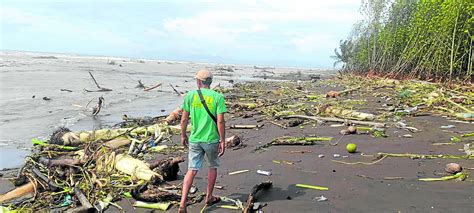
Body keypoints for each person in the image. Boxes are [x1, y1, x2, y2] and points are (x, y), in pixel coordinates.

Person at [178, 69, 226, 213]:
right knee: (212, 167)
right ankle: (209, 197)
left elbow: (184, 119)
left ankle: (182, 203)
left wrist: (182, 135)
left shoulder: (190, 96)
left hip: (195, 139)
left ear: (198, 81)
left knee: (191, 170)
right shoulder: (218, 97)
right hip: (211, 140)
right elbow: (221, 121)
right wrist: (222, 140)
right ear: (210, 82)